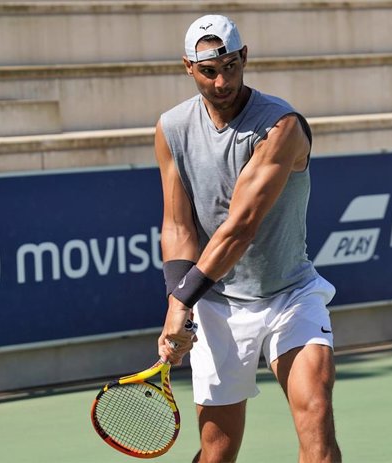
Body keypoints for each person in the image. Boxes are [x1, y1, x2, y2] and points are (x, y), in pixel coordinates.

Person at [154, 14, 342, 463]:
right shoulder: (171, 128)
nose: (222, 81)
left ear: (244, 58)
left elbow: (240, 227)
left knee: (316, 415)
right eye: (208, 71)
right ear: (188, 67)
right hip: (217, 305)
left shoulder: (282, 127)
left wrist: (182, 303)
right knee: (217, 451)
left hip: (290, 296)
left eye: (231, 67)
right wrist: (178, 301)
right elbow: (179, 226)